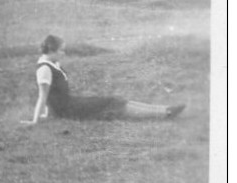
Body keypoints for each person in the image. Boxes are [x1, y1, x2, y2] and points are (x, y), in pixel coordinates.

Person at [22, 34, 185, 125]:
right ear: (51, 50)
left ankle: (165, 110)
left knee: (114, 100)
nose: (63, 54)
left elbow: (52, 96)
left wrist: (49, 114)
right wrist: (35, 120)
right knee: (111, 103)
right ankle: (164, 113)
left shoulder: (52, 63)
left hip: (70, 105)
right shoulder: (44, 69)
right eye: (61, 51)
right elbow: (43, 97)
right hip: (69, 110)